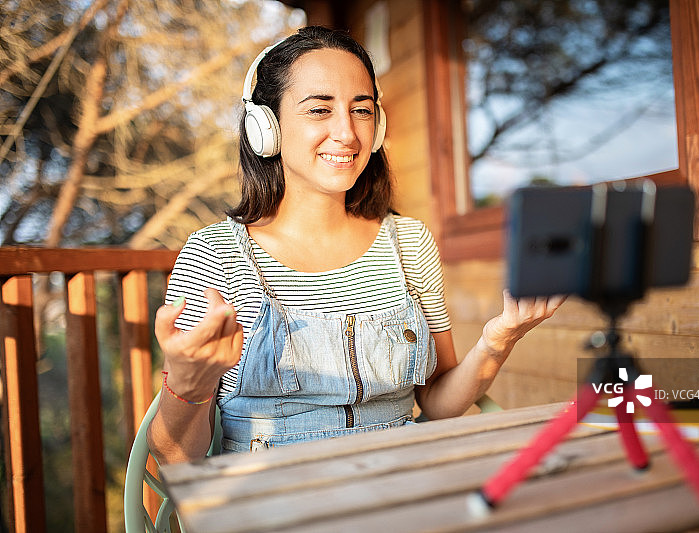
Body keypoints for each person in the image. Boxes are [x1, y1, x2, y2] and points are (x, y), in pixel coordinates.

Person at [147, 26, 564, 464]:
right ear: (265, 128)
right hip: (272, 504)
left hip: (399, 487)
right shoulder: (214, 256)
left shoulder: (409, 243)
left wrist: (498, 341)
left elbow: (438, 404)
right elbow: (177, 457)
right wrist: (188, 385)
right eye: (319, 110)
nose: (347, 132)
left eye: (361, 111)